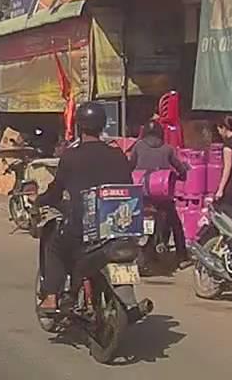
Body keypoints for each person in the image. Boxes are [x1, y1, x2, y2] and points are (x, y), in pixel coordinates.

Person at [35, 102, 134, 313]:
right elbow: (128, 185)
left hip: (83, 227)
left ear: (79, 126)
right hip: (118, 225)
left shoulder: (71, 156)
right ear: (103, 125)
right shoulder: (118, 154)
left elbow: (56, 190)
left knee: (54, 246)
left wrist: (41, 200)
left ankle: (51, 297)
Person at [129, 122, 190, 268]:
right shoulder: (167, 149)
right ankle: (182, 257)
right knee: (175, 224)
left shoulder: (138, 146)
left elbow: (130, 165)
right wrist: (182, 175)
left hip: (142, 194)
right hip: (161, 195)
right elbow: (180, 169)